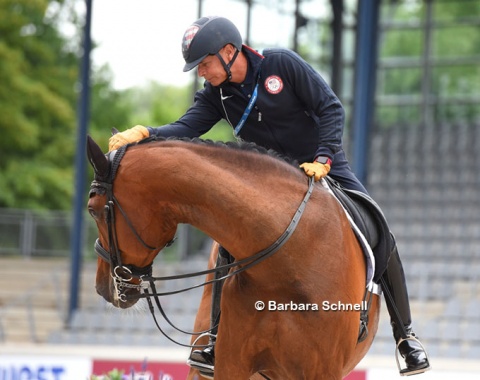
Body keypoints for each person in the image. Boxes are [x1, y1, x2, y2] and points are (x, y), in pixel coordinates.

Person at [109, 16, 430, 377]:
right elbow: (185, 129)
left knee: (378, 227)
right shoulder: (218, 95)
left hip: (320, 164)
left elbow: (330, 108)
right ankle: (215, 338)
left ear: (229, 52)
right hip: (268, 181)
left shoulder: (281, 64)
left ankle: (406, 336)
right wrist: (146, 133)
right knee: (229, 246)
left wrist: (324, 157)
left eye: (204, 63)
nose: (201, 72)